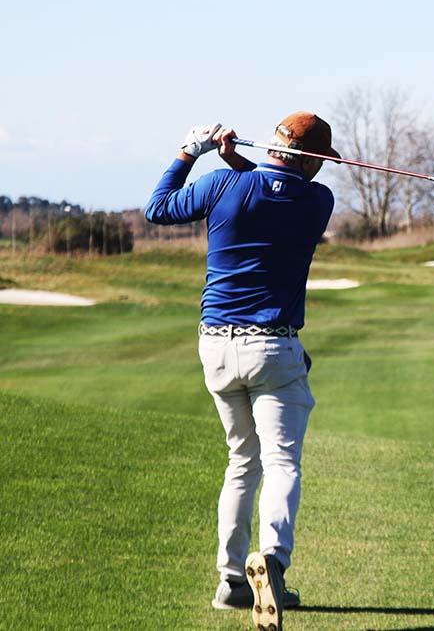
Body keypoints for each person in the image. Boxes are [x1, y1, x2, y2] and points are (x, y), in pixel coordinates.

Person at [146, 112, 337, 630]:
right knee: (281, 462)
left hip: (215, 347)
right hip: (273, 349)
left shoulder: (224, 184)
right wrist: (236, 160)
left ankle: (231, 581)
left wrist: (192, 151)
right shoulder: (317, 202)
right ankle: (272, 562)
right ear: (313, 160)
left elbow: (157, 208)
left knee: (241, 461)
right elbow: (276, 187)